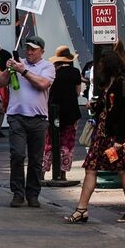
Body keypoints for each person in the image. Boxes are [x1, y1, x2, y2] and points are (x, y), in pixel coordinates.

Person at [64, 49, 125, 224]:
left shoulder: (122, 84)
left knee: (123, 170)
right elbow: (108, 107)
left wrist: (119, 140)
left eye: (102, 64)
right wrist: (96, 105)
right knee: (91, 168)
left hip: (115, 137)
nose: (99, 68)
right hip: (103, 135)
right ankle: (81, 209)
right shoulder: (109, 84)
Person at [0, 35, 56, 208]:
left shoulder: (48, 66)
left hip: (38, 119)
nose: (29, 52)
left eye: (33, 49)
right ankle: (17, 192)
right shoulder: (17, 63)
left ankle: (32, 194)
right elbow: (0, 83)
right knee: (17, 155)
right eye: (27, 48)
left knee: (35, 159)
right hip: (17, 116)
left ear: (42, 51)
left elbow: (43, 84)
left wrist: (23, 71)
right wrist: (8, 70)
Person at [43, 45, 81, 178]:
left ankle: (42, 172)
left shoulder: (52, 73)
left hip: (53, 111)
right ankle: (62, 174)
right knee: (67, 143)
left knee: (50, 142)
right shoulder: (75, 72)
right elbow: (77, 92)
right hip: (71, 112)